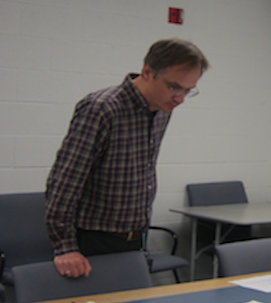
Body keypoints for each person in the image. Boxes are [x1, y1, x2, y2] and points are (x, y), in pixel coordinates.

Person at [45, 38, 209, 277]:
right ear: (148, 72)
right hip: (94, 242)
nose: (180, 98)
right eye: (174, 87)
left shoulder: (162, 110)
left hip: (135, 239)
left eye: (188, 90)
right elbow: (64, 182)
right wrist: (65, 247)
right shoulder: (101, 109)